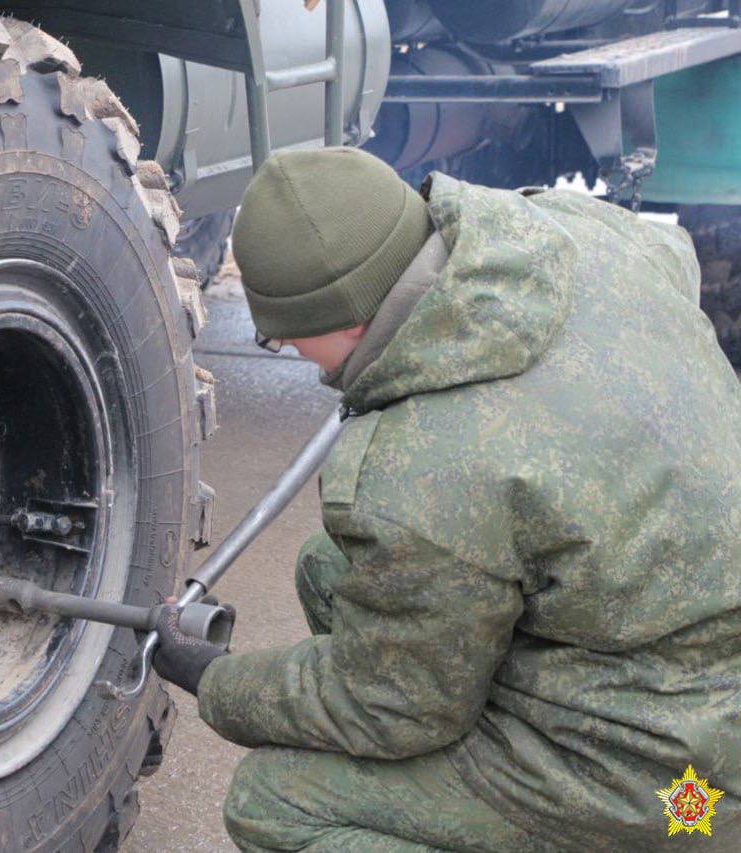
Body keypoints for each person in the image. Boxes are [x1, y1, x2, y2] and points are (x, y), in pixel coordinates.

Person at [151, 147, 741, 851]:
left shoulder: (425, 468)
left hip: (677, 791)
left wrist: (217, 682)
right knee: (328, 571)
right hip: (690, 688)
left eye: (283, 338)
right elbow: (677, 254)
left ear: (344, 320)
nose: (295, 356)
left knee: (275, 801)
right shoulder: (582, 233)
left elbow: (390, 705)